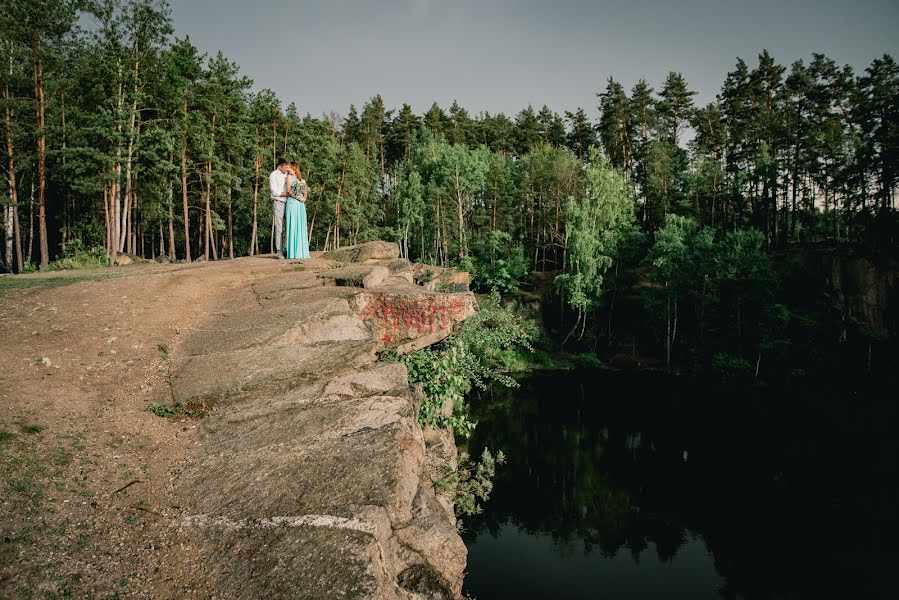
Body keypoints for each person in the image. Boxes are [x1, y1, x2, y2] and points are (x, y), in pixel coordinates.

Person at [285, 162, 310, 259]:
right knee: (293, 225)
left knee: (300, 226)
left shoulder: (302, 180)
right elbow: (289, 190)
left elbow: (305, 193)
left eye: (290, 168)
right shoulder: (289, 178)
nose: (288, 169)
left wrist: (303, 198)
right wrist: (298, 197)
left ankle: (301, 253)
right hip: (292, 203)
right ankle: (293, 253)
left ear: (294, 169)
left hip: (300, 206)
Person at [269, 157, 291, 257]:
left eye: (288, 166)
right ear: (280, 166)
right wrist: (288, 193)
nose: (287, 168)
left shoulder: (288, 174)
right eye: (286, 166)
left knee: (289, 227)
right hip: (279, 203)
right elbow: (274, 192)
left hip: (290, 204)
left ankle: (286, 249)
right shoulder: (273, 175)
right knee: (279, 228)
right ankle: (279, 251)